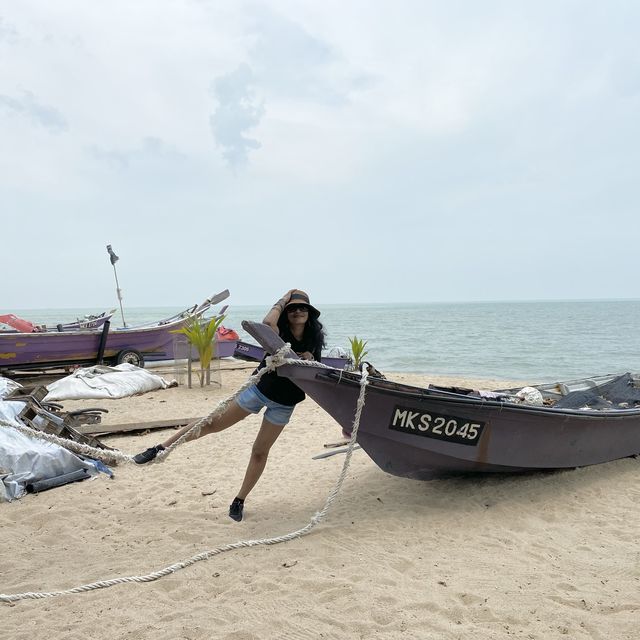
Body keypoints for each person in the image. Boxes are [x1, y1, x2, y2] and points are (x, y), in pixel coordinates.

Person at [133, 289, 326, 522]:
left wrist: (309, 359)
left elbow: (314, 374)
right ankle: (159, 448)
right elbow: (266, 322)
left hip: (285, 403)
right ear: (286, 312)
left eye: (302, 308)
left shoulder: (315, 341)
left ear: (310, 313)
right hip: (259, 391)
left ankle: (239, 500)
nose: (297, 312)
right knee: (211, 424)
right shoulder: (277, 335)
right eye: (292, 308)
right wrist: (284, 298)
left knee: (259, 452)